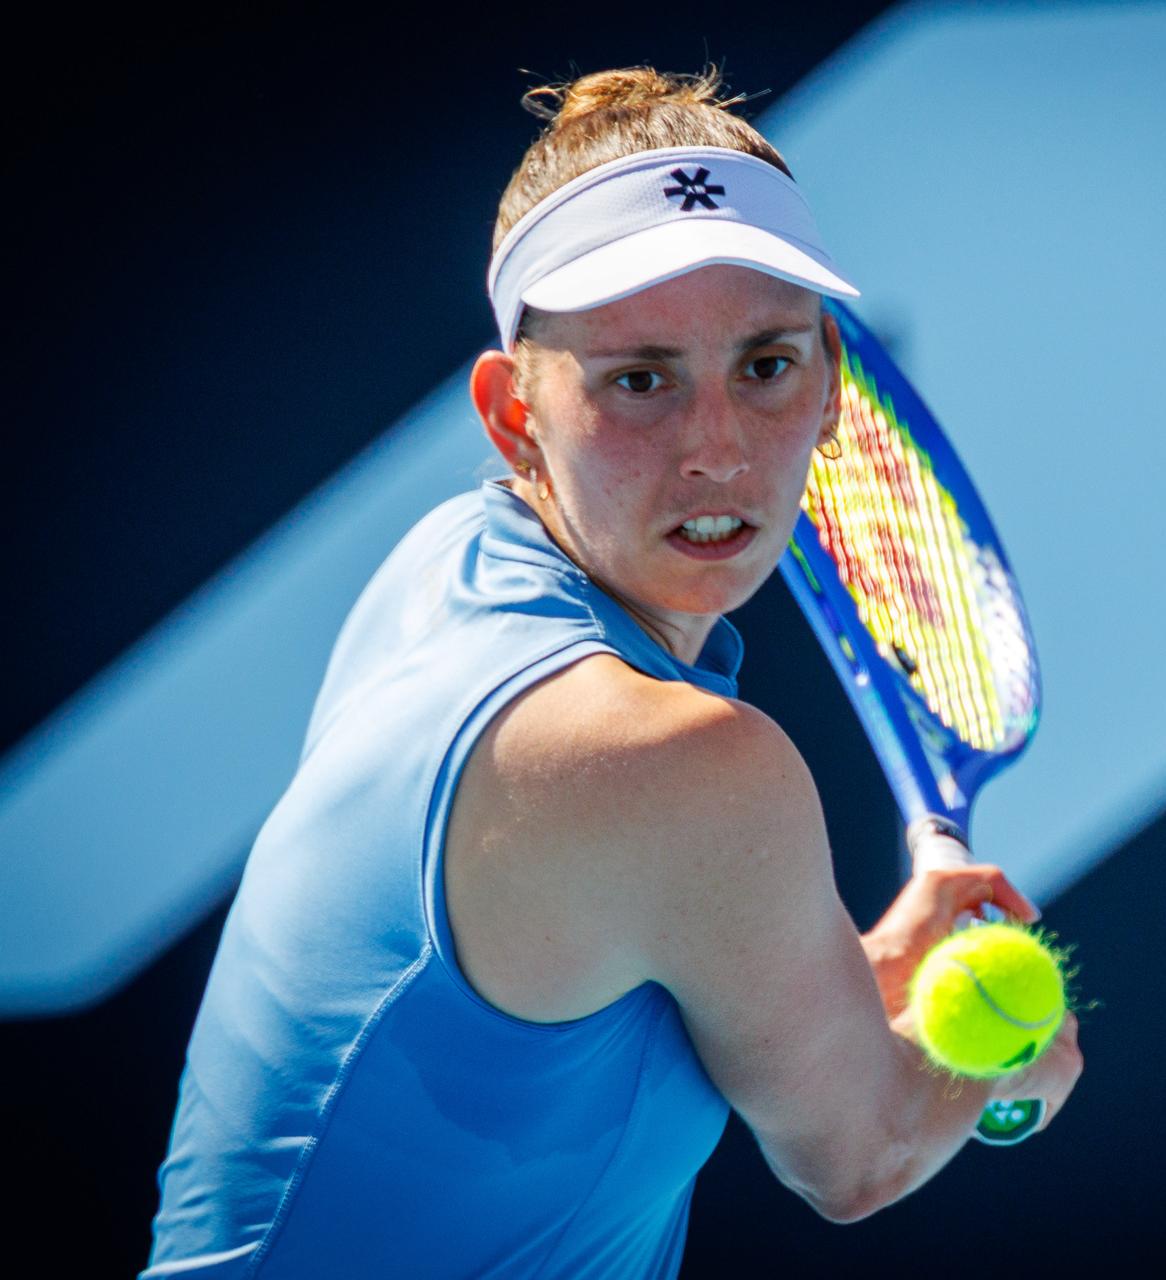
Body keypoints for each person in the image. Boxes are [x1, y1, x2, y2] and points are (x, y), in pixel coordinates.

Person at [142, 65, 1082, 1278]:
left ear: (832, 378)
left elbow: (573, 982)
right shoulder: (681, 762)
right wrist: (1014, 1068)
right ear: (513, 413)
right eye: (639, 379)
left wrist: (863, 976)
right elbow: (864, 1153)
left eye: (766, 364)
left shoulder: (444, 569)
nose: (718, 448)